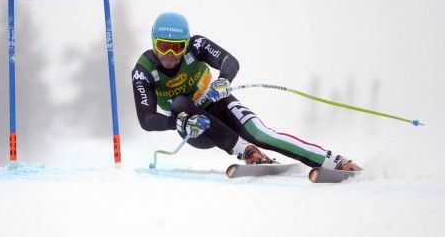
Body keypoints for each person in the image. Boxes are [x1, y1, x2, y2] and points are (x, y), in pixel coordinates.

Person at [131, 12, 361, 171]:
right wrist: (178, 124)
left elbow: (229, 61)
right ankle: (246, 151)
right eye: (163, 46)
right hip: (195, 128)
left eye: (177, 47)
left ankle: (333, 161)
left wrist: (224, 80)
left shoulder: (197, 45)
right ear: (153, 42)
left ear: (186, 43)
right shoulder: (144, 70)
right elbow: (147, 119)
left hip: (217, 102)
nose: (170, 54)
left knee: (261, 133)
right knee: (179, 103)